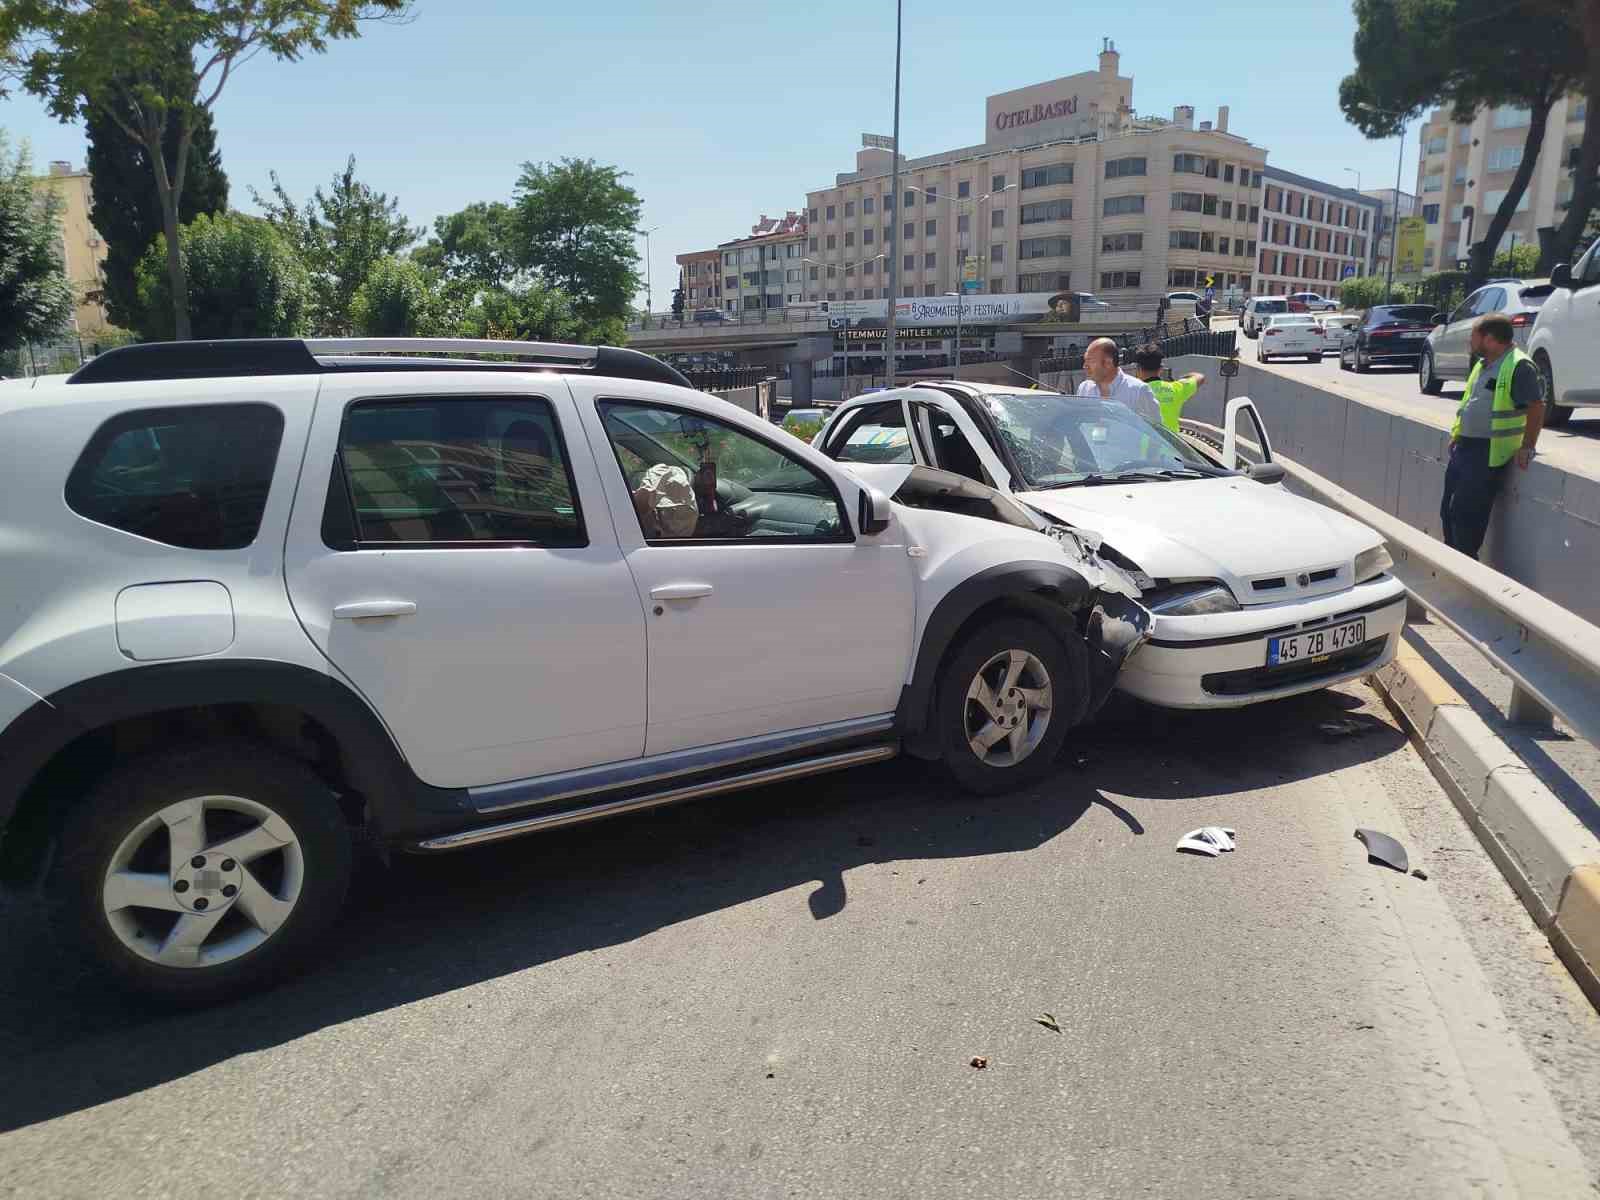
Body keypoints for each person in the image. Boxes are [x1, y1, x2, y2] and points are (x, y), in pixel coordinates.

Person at [1439, 314, 1545, 559]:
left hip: (1488, 451)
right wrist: (1457, 434)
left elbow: (1536, 406)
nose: (1470, 342)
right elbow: (1470, 403)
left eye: (1473, 337)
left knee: (1465, 513)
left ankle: (1466, 566)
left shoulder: (1519, 365)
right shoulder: (1482, 363)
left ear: (1489, 339)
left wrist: (1528, 446)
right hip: (1464, 447)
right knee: (1448, 510)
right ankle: (1452, 561)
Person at [1076, 337, 1162, 428]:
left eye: (1090, 361)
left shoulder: (1138, 391)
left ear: (1108, 363)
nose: (1084, 366)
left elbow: (1157, 431)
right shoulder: (1084, 389)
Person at [1129, 343, 1206, 433]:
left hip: (1143, 446)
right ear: (1161, 369)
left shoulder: (1133, 392)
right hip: (1170, 446)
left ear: (1139, 369)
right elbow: (1200, 377)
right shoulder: (1176, 388)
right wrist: (1183, 378)